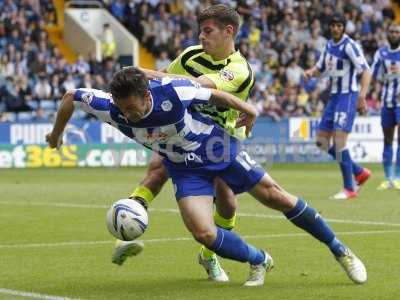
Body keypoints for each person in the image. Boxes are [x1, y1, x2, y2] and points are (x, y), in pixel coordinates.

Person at [46, 67, 367, 286]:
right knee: (203, 233)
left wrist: (250, 110)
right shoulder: (109, 106)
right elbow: (71, 96)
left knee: (275, 196)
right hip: (182, 166)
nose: (126, 115)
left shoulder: (174, 91)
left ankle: (340, 249)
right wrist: (55, 135)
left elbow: (217, 96)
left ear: (146, 95)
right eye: (122, 109)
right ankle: (259, 259)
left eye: (131, 108)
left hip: (214, 147)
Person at [112, 4, 256, 282]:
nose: (201, 36)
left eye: (208, 31)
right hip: (183, 129)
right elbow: (164, 79)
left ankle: (209, 255)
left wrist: (146, 72)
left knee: (227, 203)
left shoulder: (238, 69)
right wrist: (140, 83)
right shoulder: (191, 54)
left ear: (229, 32)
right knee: (157, 170)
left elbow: (195, 86)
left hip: (219, 140)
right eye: (201, 31)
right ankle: (124, 230)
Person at [304, 13, 372, 200]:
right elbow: (320, 68)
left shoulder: (349, 45)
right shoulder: (328, 45)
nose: (335, 28)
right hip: (334, 97)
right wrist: (311, 72)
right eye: (333, 25)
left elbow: (366, 70)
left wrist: (362, 96)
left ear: (343, 28)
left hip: (347, 97)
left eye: (339, 25)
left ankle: (349, 188)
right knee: (321, 141)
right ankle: (359, 171)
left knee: (340, 142)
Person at [371, 23, 400, 190]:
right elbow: (373, 74)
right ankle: (388, 178)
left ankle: (398, 177)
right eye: (392, 31)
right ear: (387, 34)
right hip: (386, 101)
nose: (395, 34)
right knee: (387, 140)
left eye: (397, 32)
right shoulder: (380, 53)